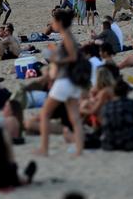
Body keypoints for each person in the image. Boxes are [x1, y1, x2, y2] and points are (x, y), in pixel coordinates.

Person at [35, 9, 87, 157]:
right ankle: (79, 149)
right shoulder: (67, 36)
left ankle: (44, 149)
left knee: (45, 113)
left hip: (65, 81)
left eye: (53, 21)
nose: (52, 24)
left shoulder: (67, 36)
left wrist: (56, 60)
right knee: (74, 117)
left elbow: (73, 57)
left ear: (59, 22)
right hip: (71, 82)